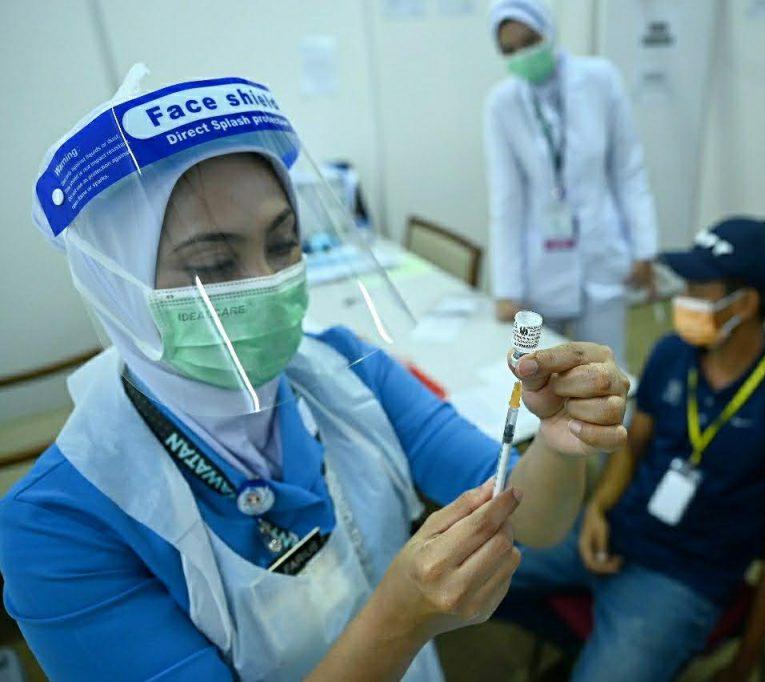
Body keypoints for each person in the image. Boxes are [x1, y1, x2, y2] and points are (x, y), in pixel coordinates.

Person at [0, 66, 630, 681]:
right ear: (119, 288)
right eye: (215, 262)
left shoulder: (346, 374)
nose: (267, 281)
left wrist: (558, 443)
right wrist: (399, 622)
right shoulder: (59, 526)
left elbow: (534, 522)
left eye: (282, 243)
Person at [506, 218, 765, 681]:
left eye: (699, 287)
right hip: (612, 529)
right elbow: (632, 446)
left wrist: (744, 664)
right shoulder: (671, 354)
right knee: (479, 566)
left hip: (683, 579)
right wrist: (599, 508)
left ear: (744, 304)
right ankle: (588, 645)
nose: (683, 297)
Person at [484, 0, 659, 363]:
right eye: (510, 50)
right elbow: (506, 202)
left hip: (603, 253)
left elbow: (628, 169)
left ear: (548, 30)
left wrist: (644, 247)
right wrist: (507, 289)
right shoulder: (501, 105)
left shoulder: (600, 79)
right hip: (540, 267)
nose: (522, 55)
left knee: (607, 370)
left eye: (529, 41)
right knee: (537, 373)